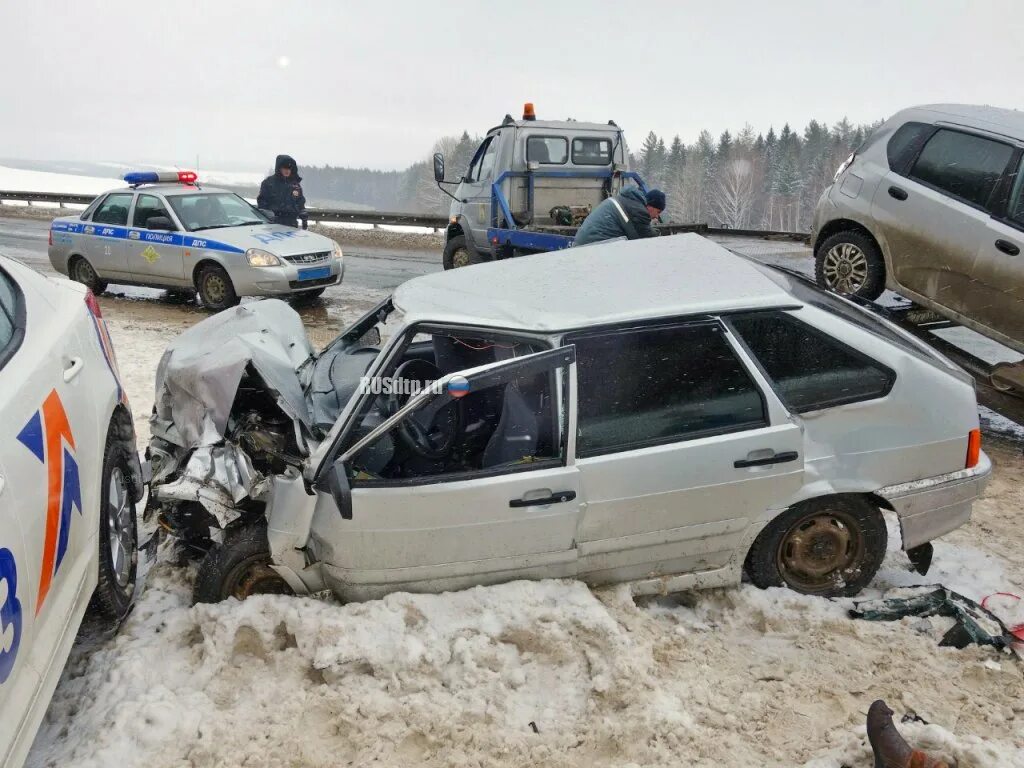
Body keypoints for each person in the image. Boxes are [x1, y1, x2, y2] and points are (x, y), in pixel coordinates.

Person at [572, 187, 666, 247]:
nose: (656, 217)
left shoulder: (626, 200)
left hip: (583, 242)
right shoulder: (639, 211)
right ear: (650, 206)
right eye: (658, 212)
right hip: (593, 246)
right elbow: (644, 238)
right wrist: (661, 234)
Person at [257, 155, 306, 227]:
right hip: (273, 223)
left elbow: (300, 202)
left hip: (292, 223)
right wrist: (268, 214)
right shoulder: (268, 183)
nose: (287, 170)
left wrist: (303, 215)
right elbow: (262, 202)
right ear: (279, 168)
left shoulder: (296, 185)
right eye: (285, 168)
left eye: (289, 168)